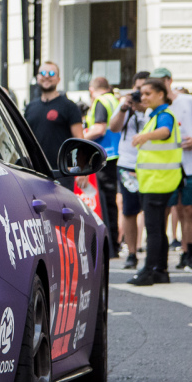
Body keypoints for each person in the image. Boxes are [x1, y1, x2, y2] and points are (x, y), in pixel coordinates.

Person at [151, 67, 192, 270]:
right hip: (168, 165)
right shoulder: (156, 108)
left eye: (160, 82)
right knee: (172, 211)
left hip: (190, 163)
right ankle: (162, 257)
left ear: (168, 80)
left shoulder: (188, 101)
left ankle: (189, 254)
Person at [128, 79, 181, 285]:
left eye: (148, 93)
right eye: (142, 94)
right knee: (158, 227)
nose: (144, 98)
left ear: (161, 94)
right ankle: (160, 270)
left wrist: (144, 136)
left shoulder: (163, 116)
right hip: (157, 181)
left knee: (154, 229)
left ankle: (149, 271)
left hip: (158, 182)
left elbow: (165, 132)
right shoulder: (155, 116)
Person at [109, 73, 149, 269]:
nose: (139, 94)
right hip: (128, 164)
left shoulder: (154, 109)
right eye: (137, 89)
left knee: (152, 209)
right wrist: (125, 107)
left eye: (144, 90)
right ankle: (132, 252)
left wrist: (143, 107)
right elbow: (114, 127)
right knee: (129, 210)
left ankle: (152, 253)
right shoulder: (126, 106)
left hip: (150, 165)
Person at [83, 77, 121, 251]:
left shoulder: (100, 101)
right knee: (113, 201)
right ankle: (115, 241)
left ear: (92, 90)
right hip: (117, 154)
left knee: (105, 201)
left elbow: (99, 129)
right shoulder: (114, 99)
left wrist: (80, 138)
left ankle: (110, 244)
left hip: (105, 155)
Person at [24, 61, 83, 169]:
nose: (46, 76)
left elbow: (79, 139)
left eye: (51, 73)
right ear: (37, 77)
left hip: (61, 172)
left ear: (58, 79)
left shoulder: (69, 106)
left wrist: (81, 167)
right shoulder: (30, 107)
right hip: (35, 171)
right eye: (42, 73)